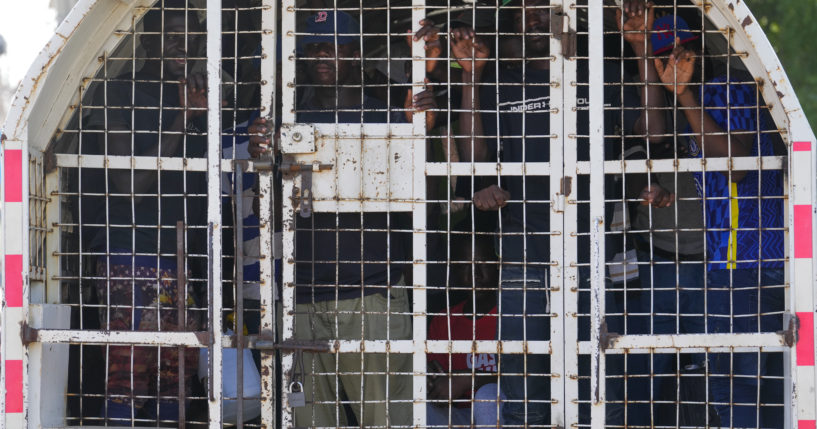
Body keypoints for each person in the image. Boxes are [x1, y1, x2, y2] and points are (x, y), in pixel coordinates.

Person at [449, 0, 644, 425]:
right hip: (522, 251)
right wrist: (470, 75)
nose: (535, 19)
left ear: (569, 18)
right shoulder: (498, 82)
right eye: (524, 13)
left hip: (591, 251)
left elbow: (646, 135)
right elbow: (475, 155)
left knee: (594, 379)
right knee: (523, 382)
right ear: (510, 27)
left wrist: (641, 49)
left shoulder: (600, 74)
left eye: (544, 10)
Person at [248, 11, 438, 427]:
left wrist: (422, 126)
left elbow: (430, 187)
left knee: (387, 418)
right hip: (300, 296)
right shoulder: (283, 122)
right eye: (314, 46)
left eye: (334, 46)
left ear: (356, 56)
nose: (321, 54)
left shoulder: (388, 117)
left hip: (370, 291)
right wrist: (259, 154)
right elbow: (261, 199)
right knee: (309, 420)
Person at [632, 10, 785, 428]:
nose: (675, 64)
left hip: (742, 267)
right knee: (764, 398)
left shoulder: (725, 89)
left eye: (684, 53)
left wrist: (683, 93)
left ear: (702, 51)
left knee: (736, 397)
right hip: (754, 265)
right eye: (665, 56)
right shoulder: (710, 96)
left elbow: (734, 166)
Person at [83, 1, 207, 424]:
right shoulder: (117, 93)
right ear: (146, 40)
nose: (183, 45)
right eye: (172, 34)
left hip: (187, 256)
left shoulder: (207, 94)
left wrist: (204, 113)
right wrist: (183, 117)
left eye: (192, 37)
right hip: (131, 254)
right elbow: (131, 185)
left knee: (177, 387)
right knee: (128, 383)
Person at [426, 236, 504, 428]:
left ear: (497, 266)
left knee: (487, 397)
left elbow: (529, 376)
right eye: (464, 266)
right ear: (454, 272)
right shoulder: (444, 320)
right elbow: (436, 374)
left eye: (482, 264)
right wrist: (430, 379)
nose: (474, 274)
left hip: (501, 414)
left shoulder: (514, 318)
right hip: (458, 414)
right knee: (419, 405)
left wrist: (468, 379)